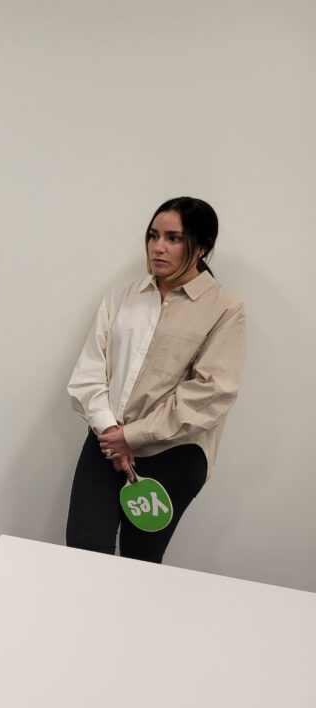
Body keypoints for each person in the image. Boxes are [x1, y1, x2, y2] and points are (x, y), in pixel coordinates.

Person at [66, 196, 245, 563]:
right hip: (105, 442)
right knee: (83, 552)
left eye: (174, 238)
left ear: (203, 247)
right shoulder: (122, 297)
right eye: (153, 235)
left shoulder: (225, 309)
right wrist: (110, 431)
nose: (158, 247)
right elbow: (89, 371)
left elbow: (211, 392)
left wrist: (133, 436)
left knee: (139, 563)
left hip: (172, 455)